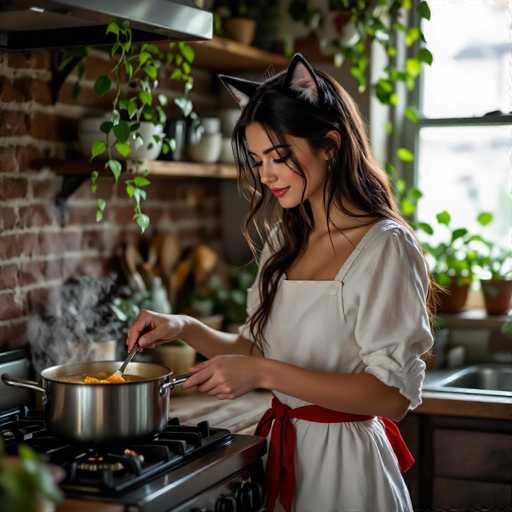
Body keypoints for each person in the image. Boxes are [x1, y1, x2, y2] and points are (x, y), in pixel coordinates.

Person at [126, 53, 436, 512]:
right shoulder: (285, 239)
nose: (266, 174)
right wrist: (184, 327)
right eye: (257, 160)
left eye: (279, 157)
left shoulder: (384, 247)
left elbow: (390, 397)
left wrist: (265, 374)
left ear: (330, 145)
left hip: (347, 469)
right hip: (282, 455)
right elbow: (255, 350)